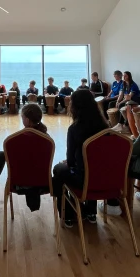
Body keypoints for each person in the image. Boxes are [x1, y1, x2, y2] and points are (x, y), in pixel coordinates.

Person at [52, 89, 106, 227]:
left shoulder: (74, 129)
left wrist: (68, 162)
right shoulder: (105, 127)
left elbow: (70, 162)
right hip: (105, 177)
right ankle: (90, 212)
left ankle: (68, 215)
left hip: (83, 180)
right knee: (93, 166)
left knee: (59, 170)